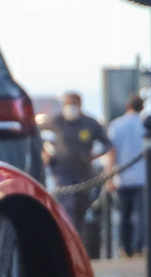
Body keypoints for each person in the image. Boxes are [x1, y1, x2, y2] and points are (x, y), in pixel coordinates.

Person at [44, 91, 111, 247]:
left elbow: (107, 144)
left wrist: (95, 155)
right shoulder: (55, 121)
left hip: (83, 172)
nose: (71, 107)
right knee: (68, 206)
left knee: (81, 207)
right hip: (62, 171)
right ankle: (67, 242)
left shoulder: (91, 123)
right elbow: (37, 134)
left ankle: (77, 241)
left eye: (74, 104)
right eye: (68, 103)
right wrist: (45, 152)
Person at [106, 94, 149, 257]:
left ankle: (125, 247)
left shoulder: (116, 125)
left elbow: (112, 152)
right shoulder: (144, 124)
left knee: (124, 215)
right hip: (142, 176)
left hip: (122, 177)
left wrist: (109, 176)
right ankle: (139, 246)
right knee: (141, 214)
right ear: (142, 108)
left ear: (127, 106)